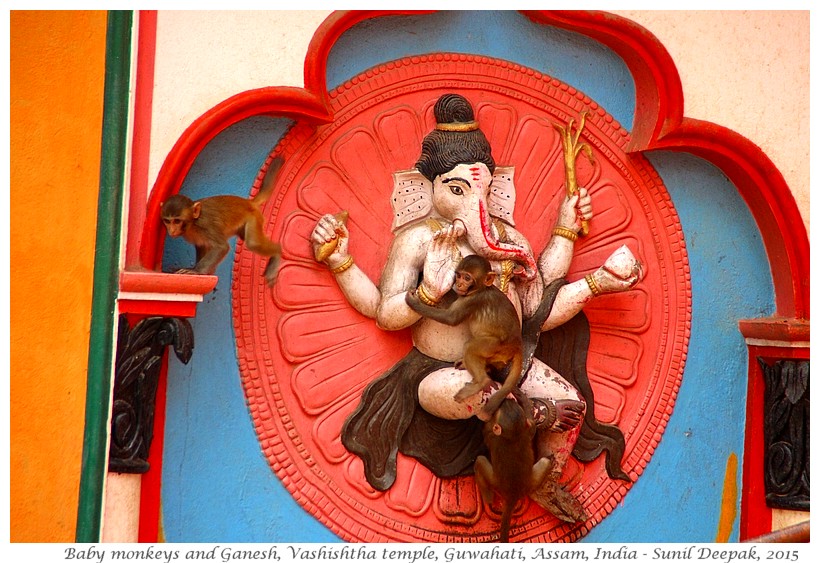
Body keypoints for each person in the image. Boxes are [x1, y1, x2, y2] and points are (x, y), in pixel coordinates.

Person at [310, 93, 642, 521]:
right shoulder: (419, 239)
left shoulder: (509, 239)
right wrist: (427, 289)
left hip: (510, 362)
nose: (473, 202)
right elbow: (386, 314)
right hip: (441, 372)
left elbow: (538, 315)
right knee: (479, 394)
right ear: (426, 188)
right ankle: (533, 413)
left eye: (481, 188)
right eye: (457, 189)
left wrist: (594, 276)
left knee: (572, 405)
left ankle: (545, 481)